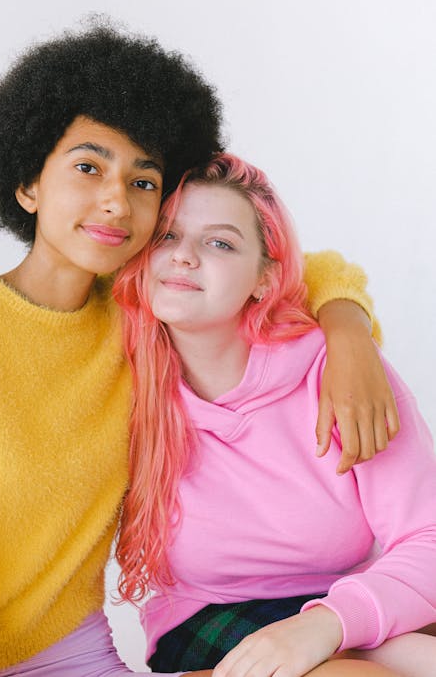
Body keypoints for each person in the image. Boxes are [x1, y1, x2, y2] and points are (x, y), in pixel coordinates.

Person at [0, 22, 395, 677]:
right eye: (88, 167)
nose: (115, 201)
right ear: (28, 183)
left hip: (90, 658)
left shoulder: (139, 317)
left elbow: (290, 265)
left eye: (144, 182)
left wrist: (349, 332)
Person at [114, 153, 436, 677]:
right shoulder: (117, 372)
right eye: (167, 237)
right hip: (207, 617)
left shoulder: (336, 369)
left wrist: (328, 624)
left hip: (347, 599)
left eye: (219, 242)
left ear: (265, 278)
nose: (184, 257)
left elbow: (428, 535)